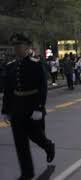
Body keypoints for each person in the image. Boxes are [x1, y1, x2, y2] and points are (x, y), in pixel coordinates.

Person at [1, 33, 55, 180]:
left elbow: (42, 87)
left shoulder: (36, 64)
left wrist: (39, 107)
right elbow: (8, 90)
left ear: (27, 48)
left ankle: (48, 145)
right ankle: (27, 173)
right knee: (20, 142)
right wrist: (5, 110)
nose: (17, 49)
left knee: (36, 136)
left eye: (20, 46)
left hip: (32, 106)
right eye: (15, 46)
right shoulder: (11, 66)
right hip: (17, 108)